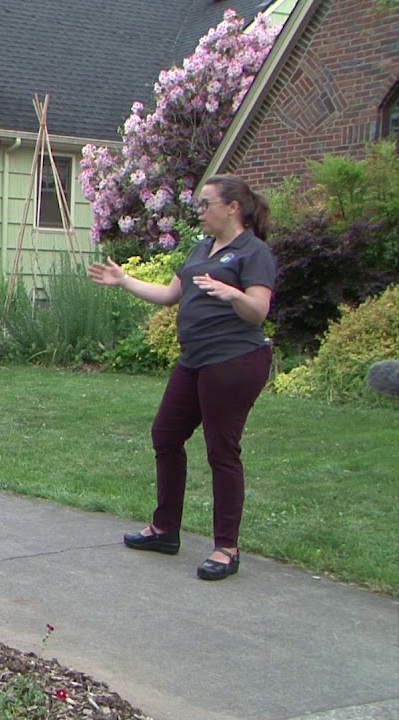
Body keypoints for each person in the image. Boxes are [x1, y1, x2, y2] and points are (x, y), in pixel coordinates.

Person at [87, 175, 276, 581]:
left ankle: (226, 547)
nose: (200, 212)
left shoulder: (253, 252)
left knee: (221, 449)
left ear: (232, 208)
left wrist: (233, 295)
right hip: (194, 360)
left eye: (206, 204)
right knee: (166, 435)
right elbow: (169, 294)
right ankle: (164, 529)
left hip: (235, 360)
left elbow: (258, 311)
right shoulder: (200, 248)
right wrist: (124, 282)